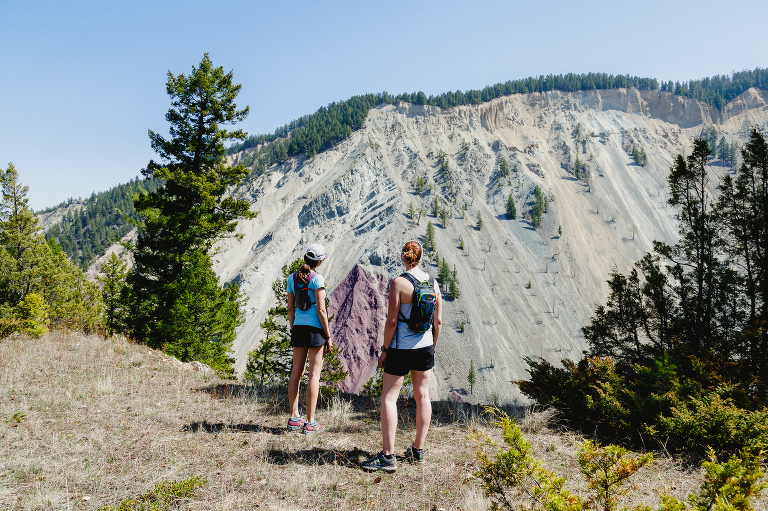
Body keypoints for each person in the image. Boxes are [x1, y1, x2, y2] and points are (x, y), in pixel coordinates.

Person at [362, 240, 442, 472]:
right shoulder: (433, 283)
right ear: (421, 257)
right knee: (423, 396)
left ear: (403, 257)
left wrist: (384, 350)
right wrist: (432, 346)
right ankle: (418, 449)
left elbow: (392, 321)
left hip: (401, 348)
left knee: (389, 398)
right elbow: (438, 321)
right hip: (425, 346)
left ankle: (388, 457)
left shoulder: (398, 283)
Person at [286, 243, 333, 434]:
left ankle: (294, 418)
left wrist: (294, 328)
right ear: (319, 262)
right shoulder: (317, 279)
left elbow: (290, 308)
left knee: (296, 373)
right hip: (315, 331)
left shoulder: (292, 278)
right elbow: (321, 310)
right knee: (314, 375)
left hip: (298, 327)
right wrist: (328, 337)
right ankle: (310, 422)